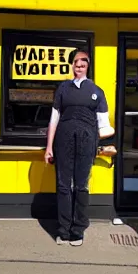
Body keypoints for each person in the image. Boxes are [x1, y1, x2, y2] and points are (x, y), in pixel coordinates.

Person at [44, 50, 114, 246]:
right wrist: (49, 147)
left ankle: (78, 230)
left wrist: (90, 136)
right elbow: (54, 119)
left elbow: (105, 127)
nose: (79, 65)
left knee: (81, 186)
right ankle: (63, 230)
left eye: (83, 62)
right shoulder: (63, 89)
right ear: (72, 65)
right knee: (63, 186)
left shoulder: (97, 91)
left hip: (86, 144)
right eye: (76, 62)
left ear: (88, 65)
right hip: (63, 142)